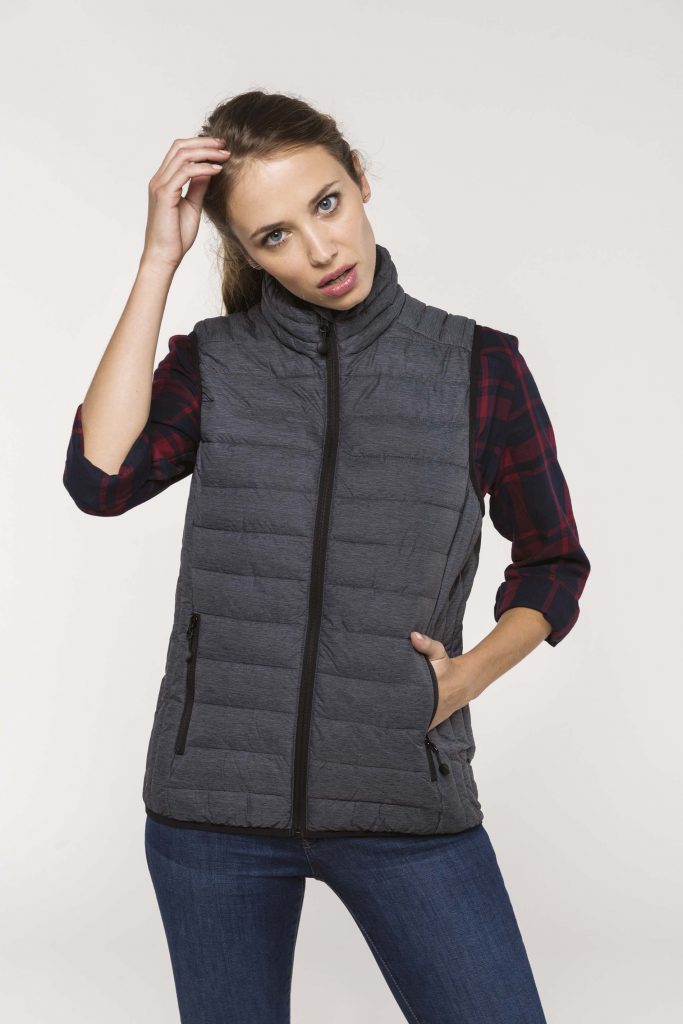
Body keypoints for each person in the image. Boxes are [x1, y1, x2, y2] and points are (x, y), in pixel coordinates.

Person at [63, 89, 590, 1023]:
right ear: (245, 252)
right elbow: (99, 480)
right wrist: (157, 260)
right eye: (274, 236)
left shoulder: (478, 367)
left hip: (403, 796)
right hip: (212, 811)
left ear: (360, 183)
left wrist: (464, 678)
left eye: (327, 204)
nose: (319, 250)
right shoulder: (214, 364)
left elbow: (552, 562)